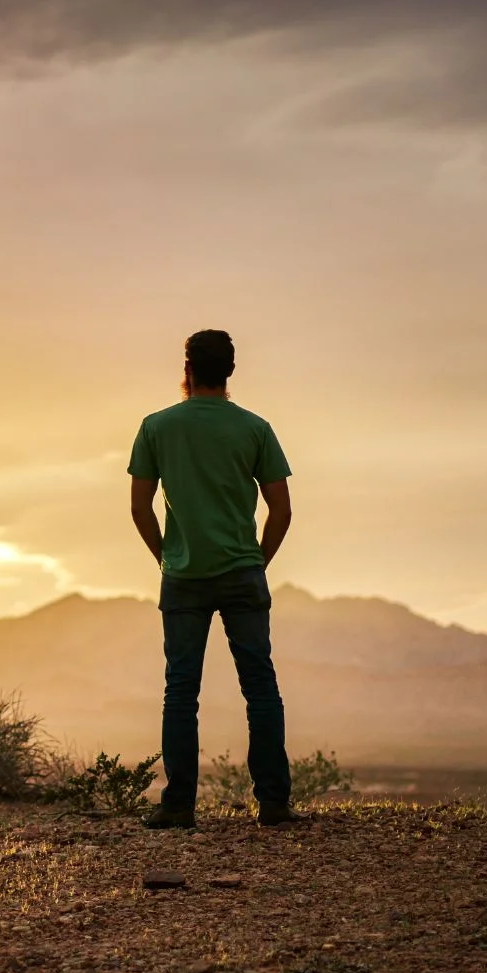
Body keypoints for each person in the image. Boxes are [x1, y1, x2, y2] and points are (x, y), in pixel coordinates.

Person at [127, 329, 305, 828]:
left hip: (183, 576)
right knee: (260, 687)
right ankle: (272, 803)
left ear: (187, 371)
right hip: (242, 572)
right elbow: (282, 510)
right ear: (229, 372)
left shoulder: (156, 427)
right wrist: (257, 561)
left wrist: (166, 557)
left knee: (181, 691)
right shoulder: (255, 429)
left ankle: (179, 805)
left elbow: (140, 508)